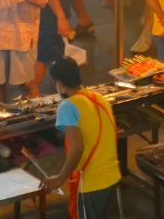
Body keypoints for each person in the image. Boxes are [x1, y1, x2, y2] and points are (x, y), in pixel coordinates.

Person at [42, 57, 120, 219]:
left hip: (92, 183)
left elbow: (77, 147)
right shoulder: (99, 98)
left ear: (59, 83)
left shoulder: (67, 106)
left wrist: (60, 178)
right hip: (113, 177)